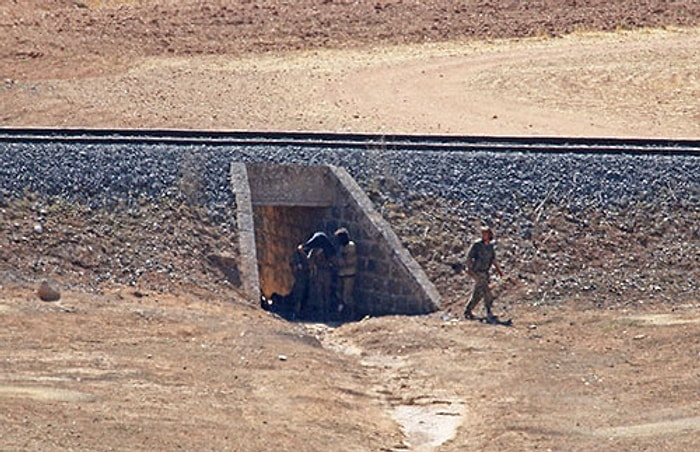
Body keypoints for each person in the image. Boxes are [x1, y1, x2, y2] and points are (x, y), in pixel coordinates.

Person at [464, 226, 504, 321]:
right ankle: (489, 312)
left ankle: (468, 310)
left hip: (485, 272)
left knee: (478, 293)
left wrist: (499, 271)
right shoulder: (477, 245)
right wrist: (469, 269)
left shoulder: (490, 247)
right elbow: (469, 257)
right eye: (482, 233)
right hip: (477, 271)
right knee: (486, 291)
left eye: (485, 233)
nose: (484, 235)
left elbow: (493, 260)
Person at [300, 232, 336, 320]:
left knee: (318, 294)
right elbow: (334, 262)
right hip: (328, 274)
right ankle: (327, 313)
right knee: (326, 294)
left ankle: (321, 314)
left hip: (318, 274)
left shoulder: (314, 251)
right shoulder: (330, 250)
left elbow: (309, 262)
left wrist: (302, 253)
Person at [334, 227, 357, 320]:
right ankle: (341, 313)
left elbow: (348, 260)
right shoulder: (342, 247)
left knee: (347, 296)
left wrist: (340, 259)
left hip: (349, 274)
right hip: (342, 273)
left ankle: (351, 314)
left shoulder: (350, 246)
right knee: (339, 294)